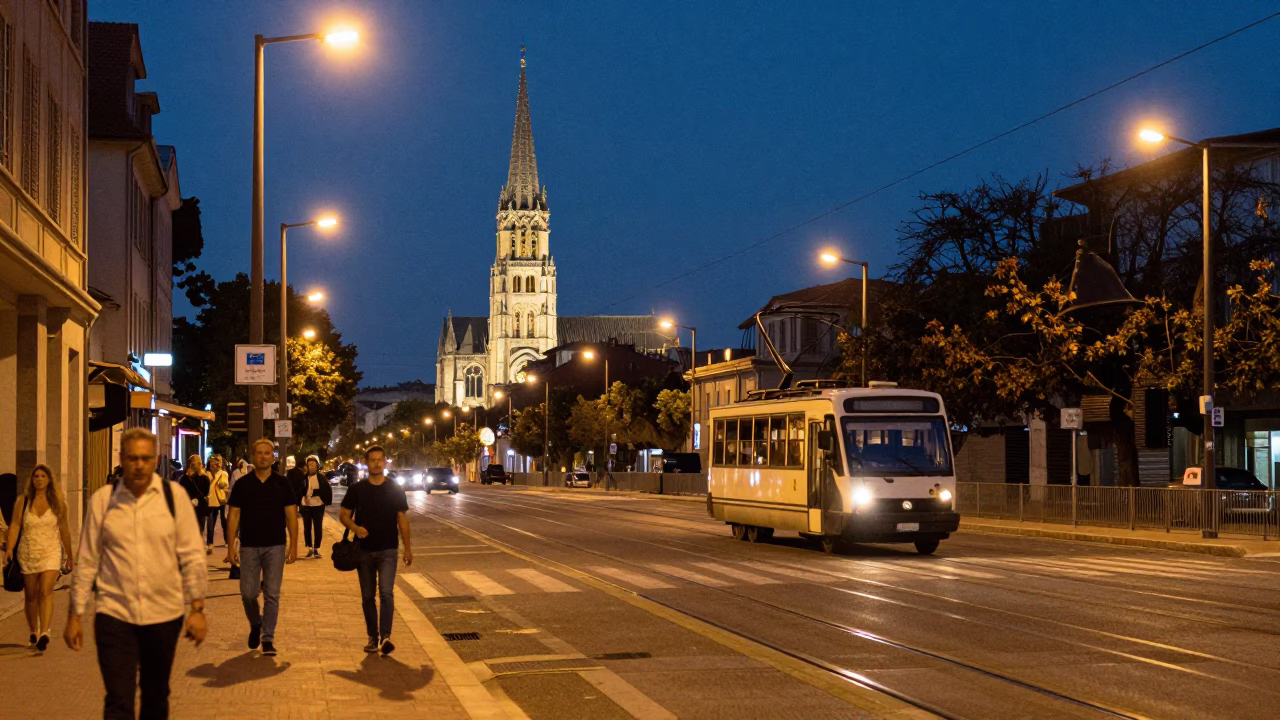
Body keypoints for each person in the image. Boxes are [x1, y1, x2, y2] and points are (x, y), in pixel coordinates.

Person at [65, 427, 207, 719]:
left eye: (145, 458)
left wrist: (197, 608)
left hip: (163, 614)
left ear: (156, 460)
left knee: (156, 696)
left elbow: (192, 554)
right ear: (121, 458)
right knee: (118, 699)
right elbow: (88, 559)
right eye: (132, 458)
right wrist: (75, 614)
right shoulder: (104, 501)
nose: (139, 465)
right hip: (114, 614)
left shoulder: (174, 497)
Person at [226, 438, 298, 656]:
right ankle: (256, 623)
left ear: (273, 456)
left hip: (275, 545)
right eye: (259, 453)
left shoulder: (282, 483)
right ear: (253, 456)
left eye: (268, 453)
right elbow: (234, 515)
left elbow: (291, 516)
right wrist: (230, 546)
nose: (264, 456)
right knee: (248, 593)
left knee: (272, 594)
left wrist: (294, 545)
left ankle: (268, 638)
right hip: (249, 546)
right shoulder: (243, 484)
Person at [340, 445, 411, 655]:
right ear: (367, 462)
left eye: (380, 459)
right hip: (364, 551)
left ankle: (386, 637)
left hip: (388, 549)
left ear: (385, 462)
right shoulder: (357, 489)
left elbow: (402, 519)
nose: (377, 463)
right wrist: (354, 528)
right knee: (368, 596)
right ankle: (373, 636)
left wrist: (407, 549)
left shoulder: (395, 488)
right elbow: (344, 514)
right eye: (373, 460)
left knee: (387, 593)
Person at [2, 465, 74, 651]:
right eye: (36, 476)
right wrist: (9, 549)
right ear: (32, 480)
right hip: (28, 552)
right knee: (31, 596)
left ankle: (45, 632)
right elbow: (16, 525)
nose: (39, 479)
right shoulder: (23, 501)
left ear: (49, 479)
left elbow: (64, 530)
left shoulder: (58, 502)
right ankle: (33, 630)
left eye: (43, 476)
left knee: (45, 592)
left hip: (51, 552)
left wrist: (70, 555)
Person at [297, 455, 332, 559]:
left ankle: (316, 548)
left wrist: (315, 495)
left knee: (317, 527)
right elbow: (300, 489)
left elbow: (326, 491)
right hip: (307, 506)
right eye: (309, 464)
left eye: (313, 464)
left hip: (318, 506)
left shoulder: (321, 478)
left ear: (317, 466)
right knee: (307, 528)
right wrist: (303, 496)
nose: (311, 466)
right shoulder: (304, 478)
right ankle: (309, 548)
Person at [178, 456, 212, 551]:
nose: (193, 465)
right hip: (187, 506)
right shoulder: (184, 478)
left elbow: (205, 491)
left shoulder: (204, 478)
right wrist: (188, 477)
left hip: (200, 507)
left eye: (195, 463)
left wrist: (197, 478)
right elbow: (181, 490)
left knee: (199, 527)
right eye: (191, 463)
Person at [206, 455, 230, 554]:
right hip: (211, 500)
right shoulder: (206, 473)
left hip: (221, 500)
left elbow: (224, 484)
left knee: (224, 522)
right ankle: (210, 543)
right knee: (210, 523)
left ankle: (227, 541)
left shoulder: (223, 473)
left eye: (218, 463)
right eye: (214, 463)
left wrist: (222, 484)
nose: (216, 465)